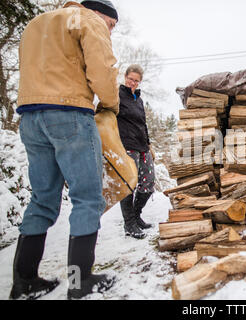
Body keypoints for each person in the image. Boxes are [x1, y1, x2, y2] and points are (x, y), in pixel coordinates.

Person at [10, 0, 119, 300]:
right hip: (69, 114)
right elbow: (102, 70)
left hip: (31, 117)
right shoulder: (88, 20)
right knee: (87, 198)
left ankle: (24, 282)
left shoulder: (37, 23)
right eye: (111, 25)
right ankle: (79, 281)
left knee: (42, 200)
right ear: (101, 13)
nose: (110, 31)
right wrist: (110, 106)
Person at [117, 64, 156, 239]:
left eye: (136, 81)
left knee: (148, 183)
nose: (132, 82)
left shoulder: (138, 100)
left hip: (142, 147)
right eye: (130, 79)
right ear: (125, 77)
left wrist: (149, 145)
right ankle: (129, 224)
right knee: (128, 185)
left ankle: (136, 215)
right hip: (126, 146)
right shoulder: (116, 96)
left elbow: (143, 125)